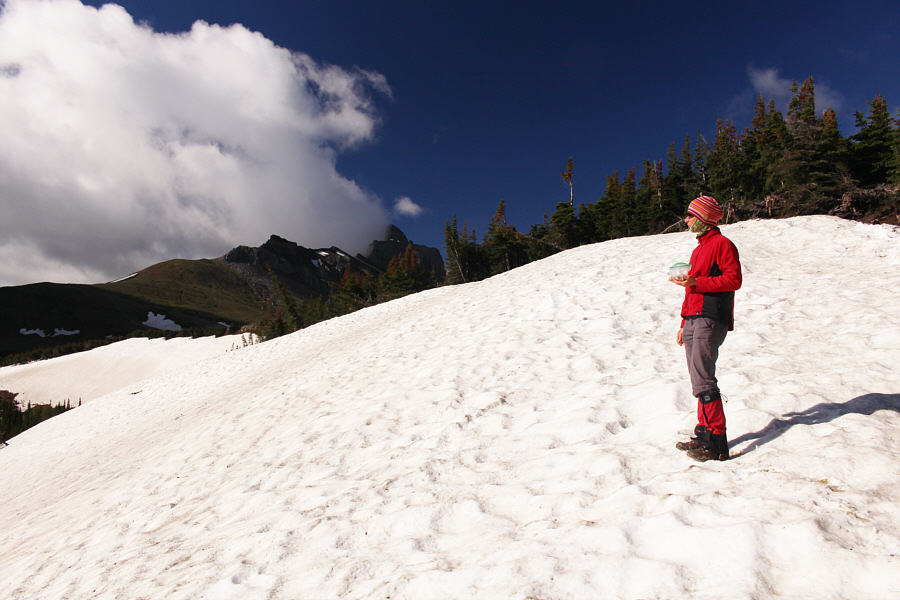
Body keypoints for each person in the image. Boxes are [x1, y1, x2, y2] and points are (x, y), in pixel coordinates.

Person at [669, 195, 742, 461]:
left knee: (704, 381)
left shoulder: (722, 244)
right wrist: (682, 322)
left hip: (709, 318)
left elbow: (733, 279)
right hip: (693, 319)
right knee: (698, 380)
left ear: (703, 218)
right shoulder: (699, 249)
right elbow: (693, 287)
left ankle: (717, 443)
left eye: (690, 215)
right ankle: (704, 435)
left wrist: (696, 282)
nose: (686, 220)